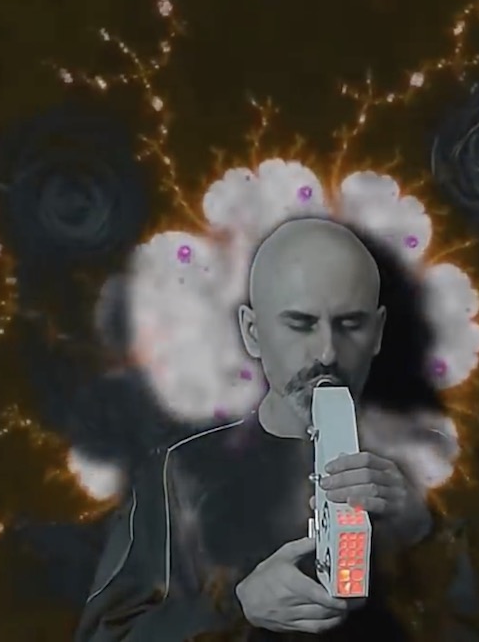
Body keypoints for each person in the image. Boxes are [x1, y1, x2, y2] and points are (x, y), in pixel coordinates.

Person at [73, 217, 438, 641]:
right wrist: (234, 608)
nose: (326, 352)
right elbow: (107, 635)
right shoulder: (179, 475)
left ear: (377, 333)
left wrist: (424, 533)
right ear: (252, 332)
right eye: (300, 323)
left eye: (350, 324)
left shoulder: (427, 471)